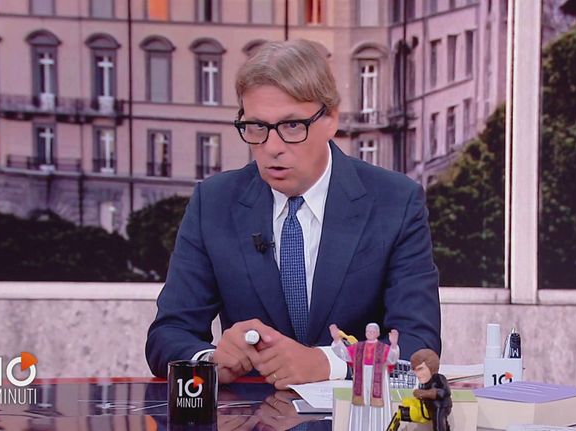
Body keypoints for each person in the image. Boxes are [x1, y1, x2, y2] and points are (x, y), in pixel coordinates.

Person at [145, 39, 441, 389]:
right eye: (256, 127)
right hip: (253, 413)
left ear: (330, 119)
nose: (272, 147)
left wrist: (327, 363)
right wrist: (211, 361)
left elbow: (418, 344)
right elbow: (167, 335)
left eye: (291, 126)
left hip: (358, 411)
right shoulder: (214, 203)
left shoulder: (395, 202)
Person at [330, 323, 399, 431]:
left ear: (378, 333)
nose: (370, 333)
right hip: (361, 379)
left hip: (379, 379)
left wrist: (394, 345)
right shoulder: (358, 347)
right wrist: (337, 341)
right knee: (361, 408)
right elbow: (345, 355)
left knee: (377, 409)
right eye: (368, 331)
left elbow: (392, 359)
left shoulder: (383, 348)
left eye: (373, 331)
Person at [410, 349, 452, 431]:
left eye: (420, 369)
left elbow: (444, 392)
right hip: (431, 407)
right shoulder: (423, 383)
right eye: (415, 370)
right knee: (443, 425)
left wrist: (425, 393)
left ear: (431, 367)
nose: (417, 374)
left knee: (439, 426)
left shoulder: (438, 378)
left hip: (441, 406)